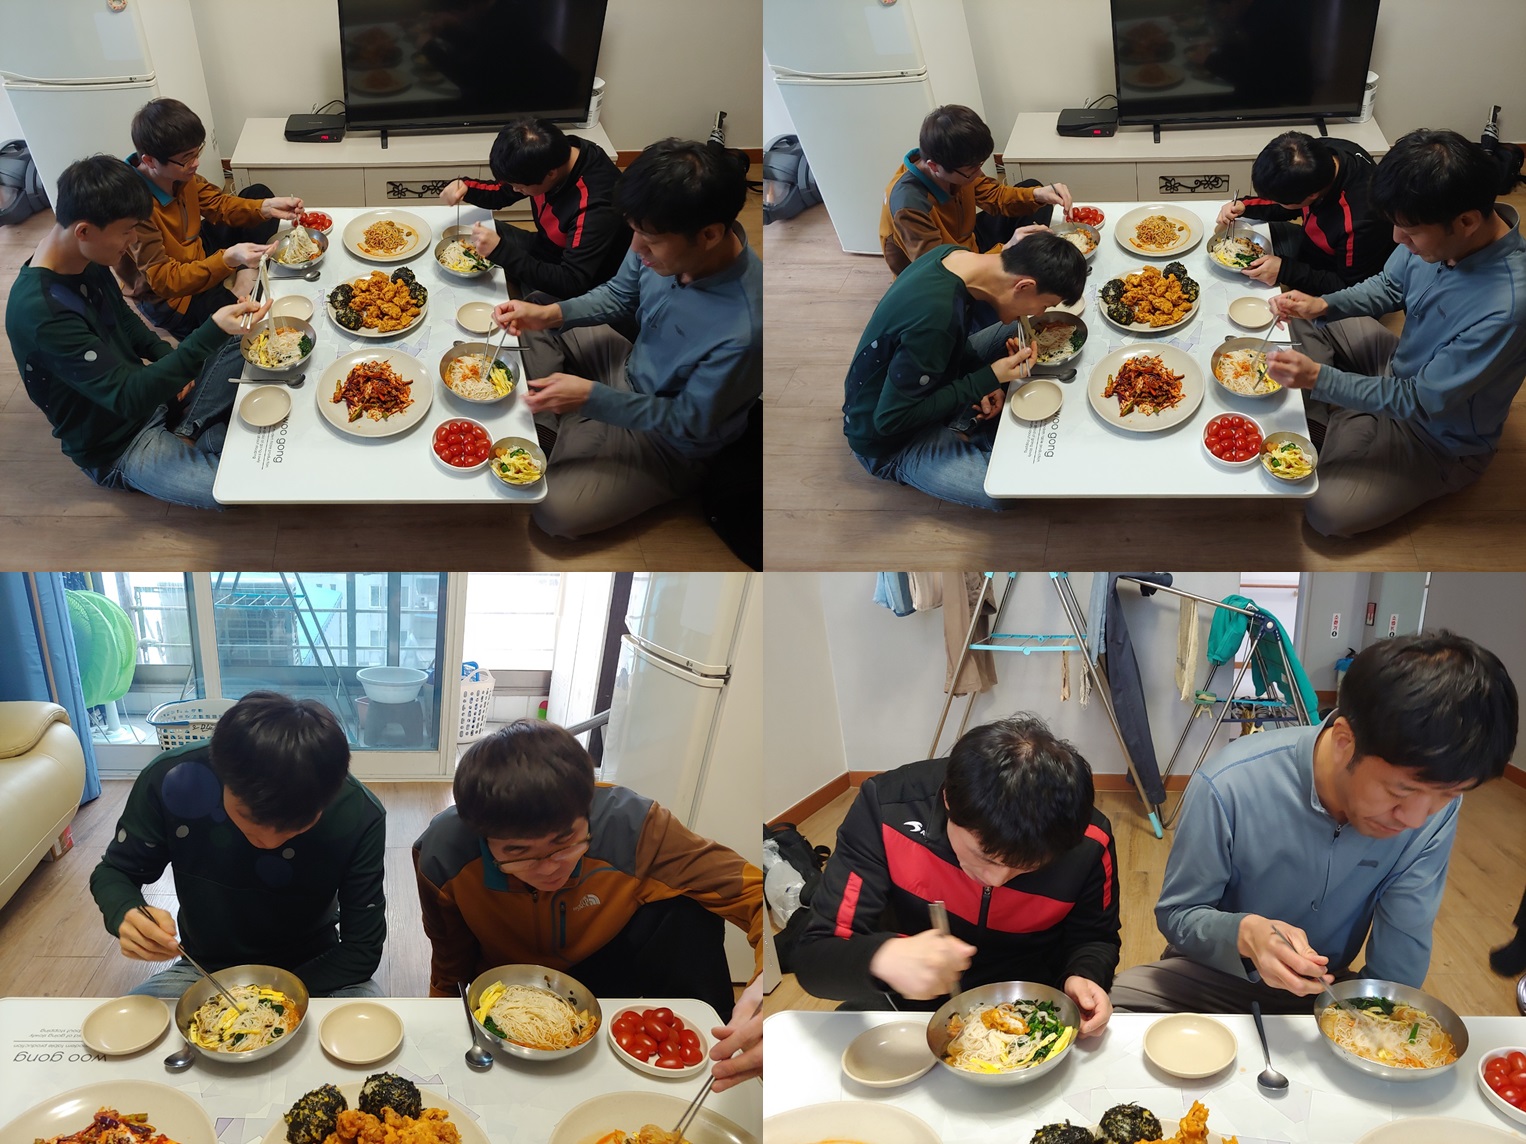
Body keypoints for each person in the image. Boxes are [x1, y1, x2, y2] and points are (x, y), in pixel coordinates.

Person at [1110, 631, 1518, 1014]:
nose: (1415, 818)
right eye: (1400, 791)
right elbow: (1179, 914)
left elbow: (1399, 957)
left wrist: (1376, 1030)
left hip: (1326, 989)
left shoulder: (1435, 813)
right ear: (1344, 741)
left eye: (1448, 794)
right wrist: (1245, 934)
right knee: (1115, 1007)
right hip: (1213, 975)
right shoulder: (1230, 783)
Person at [412, 720, 764, 1045]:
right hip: (507, 985)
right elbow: (449, 965)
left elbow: (754, 894)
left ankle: (716, 1044)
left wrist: (764, 985)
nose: (549, 868)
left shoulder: (636, 827)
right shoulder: (443, 855)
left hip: (606, 963)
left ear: (587, 808)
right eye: (519, 853)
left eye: (565, 842)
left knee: (688, 909)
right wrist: (440, 1033)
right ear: (481, 835)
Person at [491, 138, 761, 539]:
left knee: (554, 513)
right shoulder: (659, 233)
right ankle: (552, 427)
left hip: (667, 439)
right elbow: (619, 294)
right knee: (535, 309)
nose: (636, 248)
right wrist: (551, 315)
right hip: (626, 364)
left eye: (649, 240)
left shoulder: (746, 330)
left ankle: (568, 421)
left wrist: (591, 399)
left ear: (708, 235)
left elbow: (690, 421)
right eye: (633, 231)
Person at [1264, 128, 1526, 538]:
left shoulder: (1507, 309)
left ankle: (1342, 411)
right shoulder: (1433, 226)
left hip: (1434, 434)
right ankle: (1342, 409)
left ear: (1467, 221)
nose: (1398, 240)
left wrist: (1321, 379)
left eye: (1411, 232)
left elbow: (1421, 400)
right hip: (1396, 368)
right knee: (1300, 310)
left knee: (1326, 513)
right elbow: (1388, 286)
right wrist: (1323, 305)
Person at [791, 714, 1119, 1037]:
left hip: (1029, 1009)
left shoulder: (1086, 840)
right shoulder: (888, 809)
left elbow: (1094, 938)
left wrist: (1084, 974)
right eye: (984, 857)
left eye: (1027, 867)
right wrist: (880, 958)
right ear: (948, 799)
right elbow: (815, 957)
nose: (996, 880)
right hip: (909, 1001)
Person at [4, 155, 267, 510]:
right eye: (126, 230)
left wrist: (166, 357)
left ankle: (190, 429)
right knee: (237, 490)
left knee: (244, 335)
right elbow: (127, 397)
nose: (131, 242)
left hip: (150, 395)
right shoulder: (41, 313)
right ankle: (199, 429)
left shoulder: (82, 256)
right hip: (120, 441)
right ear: (84, 231)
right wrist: (207, 336)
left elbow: (124, 321)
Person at [90, 692, 387, 999]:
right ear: (222, 776)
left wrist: (261, 1002)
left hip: (317, 967)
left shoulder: (358, 813)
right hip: (207, 970)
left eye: (296, 827)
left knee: (373, 1019)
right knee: (130, 1024)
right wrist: (126, 912)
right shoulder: (175, 781)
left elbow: (361, 951)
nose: (269, 842)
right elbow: (115, 872)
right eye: (248, 818)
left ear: (330, 798)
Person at [842, 232, 1086, 510]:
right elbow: (889, 420)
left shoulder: (954, 257)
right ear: (1024, 286)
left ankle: (964, 424)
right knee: (1004, 491)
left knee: (1014, 331)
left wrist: (981, 375)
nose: (1040, 313)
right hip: (888, 438)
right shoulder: (934, 319)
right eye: (1045, 305)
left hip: (927, 377)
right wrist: (987, 378)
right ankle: (960, 428)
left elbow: (954, 338)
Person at [118, 98, 301, 338]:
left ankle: (245, 273)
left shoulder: (179, 173)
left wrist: (265, 207)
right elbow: (164, 280)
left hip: (196, 252)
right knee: (242, 327)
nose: (196, 163)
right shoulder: (133, 206)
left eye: (197, 152)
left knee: (258, 194)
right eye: (186, 158)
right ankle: (236, 282)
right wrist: (227, 259)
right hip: (173, 296)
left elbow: (218, 204)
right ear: (149, 160)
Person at [439, 117, 629, 301]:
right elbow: (503, 192)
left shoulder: (595, 204)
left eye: (519, 187)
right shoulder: (550, 154)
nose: (515, 190)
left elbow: (572, 281)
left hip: (575, 281)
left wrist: (501, 251)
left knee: (517, 308)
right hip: (545, 248)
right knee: (475, 232)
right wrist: (465, 187)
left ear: (551, 174)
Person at [881, 104, 1072, 279]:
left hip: (967, 242)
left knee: (1036, 196)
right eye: (971, 170)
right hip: (943, 272)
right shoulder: (909, 205)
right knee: (1017, 269)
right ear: (934, 166)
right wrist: (1006, 250)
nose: (978, 173)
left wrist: (1038, 195)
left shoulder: (953, 160)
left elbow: (994, 196)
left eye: (979, 164)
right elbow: (941, 272)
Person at [1214, 131, 1395, 293]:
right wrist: (1245, 205)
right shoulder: (1317, 152)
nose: (1276, 202)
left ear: (1312, 195)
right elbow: (1288, 202)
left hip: (1334, 280)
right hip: (1309, 244)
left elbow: (1352, 288)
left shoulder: (1360, 221)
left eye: (1280, 201)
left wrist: (1285, 271)